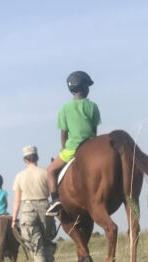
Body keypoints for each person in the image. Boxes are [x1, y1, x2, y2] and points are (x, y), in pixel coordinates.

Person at [46, 71, 101, 216]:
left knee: (50, 170)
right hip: (91, 147)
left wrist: (63, 149)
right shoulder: (93, 107)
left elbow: (63, 134)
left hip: (72, 150)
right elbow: (94, 132)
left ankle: (54, 199)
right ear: (83, 87)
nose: (89, 89)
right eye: (88, 86)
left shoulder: (64, 109)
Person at [10, 145, 56, 262]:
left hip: (28, 210)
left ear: (25, 160)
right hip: (45, 207)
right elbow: (52, 193)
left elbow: (17, 201)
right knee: (47, 241)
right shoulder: (46, 172)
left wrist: (13, 219)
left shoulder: (19, 176)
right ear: (37, 157)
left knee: (36, 244)